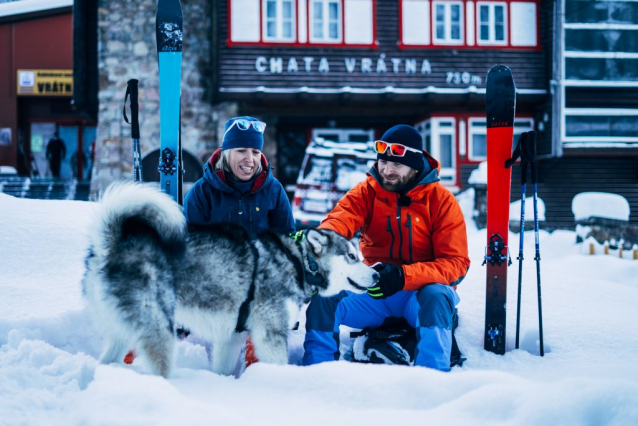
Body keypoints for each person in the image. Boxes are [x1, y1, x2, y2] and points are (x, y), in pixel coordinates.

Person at [302, 124, 470, 371]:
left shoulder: (442, 201)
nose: (387, 170)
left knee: (437, 296)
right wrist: (322, 245)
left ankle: (433, 380)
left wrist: (404, 277)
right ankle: (316, 373)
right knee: (326, 296)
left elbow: (456, 265)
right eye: (383, 162)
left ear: (414, 165)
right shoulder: (366, 192)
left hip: (420, 297)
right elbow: (340, 219)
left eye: (397, 165)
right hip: (377, 292)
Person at [184, 116, 294, 238]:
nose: (250, 159)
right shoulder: (202, 192)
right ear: (226, 154)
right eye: (241, 151)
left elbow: (287, 240)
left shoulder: (274, 190)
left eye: (255, 152)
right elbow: (193, 243)